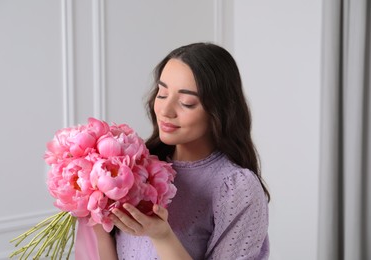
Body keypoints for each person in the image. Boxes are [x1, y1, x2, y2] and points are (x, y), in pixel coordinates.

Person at [78, 42, 270, 260]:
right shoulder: (136, 166)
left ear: (219, 110)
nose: (166, 111)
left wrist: (162, 236)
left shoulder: (236, 187)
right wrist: (90, 210)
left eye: (187, 103)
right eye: (162, 94)